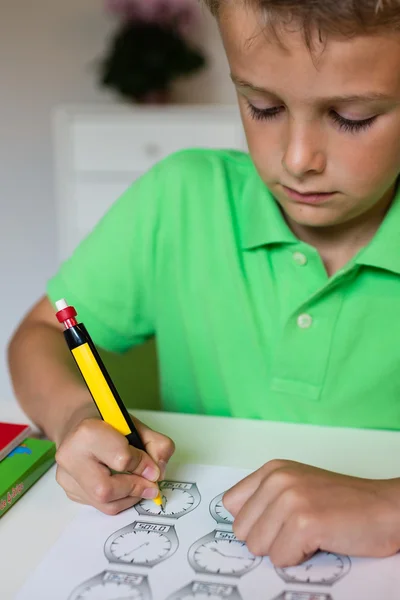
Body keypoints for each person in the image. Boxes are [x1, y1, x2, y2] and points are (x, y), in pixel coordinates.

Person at [8, 0, 400, 568]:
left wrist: (390, 505)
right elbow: (39, 334)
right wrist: (73, 416)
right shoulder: (182, 198)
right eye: (262, 106)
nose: (297, 159)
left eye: (353, 117)